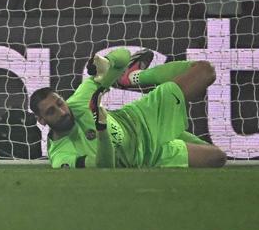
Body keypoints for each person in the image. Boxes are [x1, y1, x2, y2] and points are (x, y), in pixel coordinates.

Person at [31, 48, 227, 169]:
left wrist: (106, 63)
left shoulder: (80, 101)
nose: (63, 111)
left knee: (204, 70)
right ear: (41, 120)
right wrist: (102, 130)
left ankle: (132, 78)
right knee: (217, 157)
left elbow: (123, 56)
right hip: (149, 156)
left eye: (59, 103)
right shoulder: (61, 156)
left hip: (141, 118)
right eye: (51, 111)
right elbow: (104, 167)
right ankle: (171, 138)